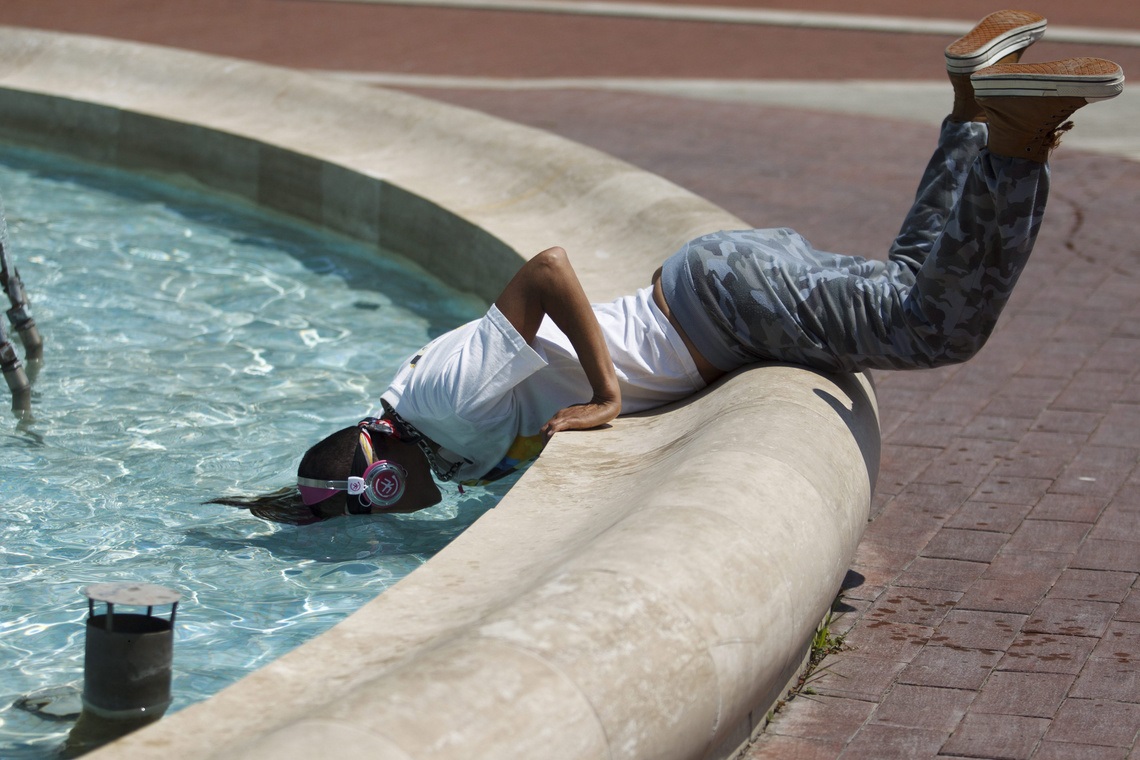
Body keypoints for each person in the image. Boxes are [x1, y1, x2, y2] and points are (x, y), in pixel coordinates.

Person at [214, 10, 1124, 525]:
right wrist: (265, 511)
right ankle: (976, 103)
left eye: (371, 504)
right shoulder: (433, 435)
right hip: (717, 295)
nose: (388, 512)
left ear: (376, 469)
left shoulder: (439, 401)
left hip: (724, 308)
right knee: (910, 282)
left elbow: (546, 269)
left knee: (938, 327)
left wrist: (608, 394)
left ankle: (1021, 134)